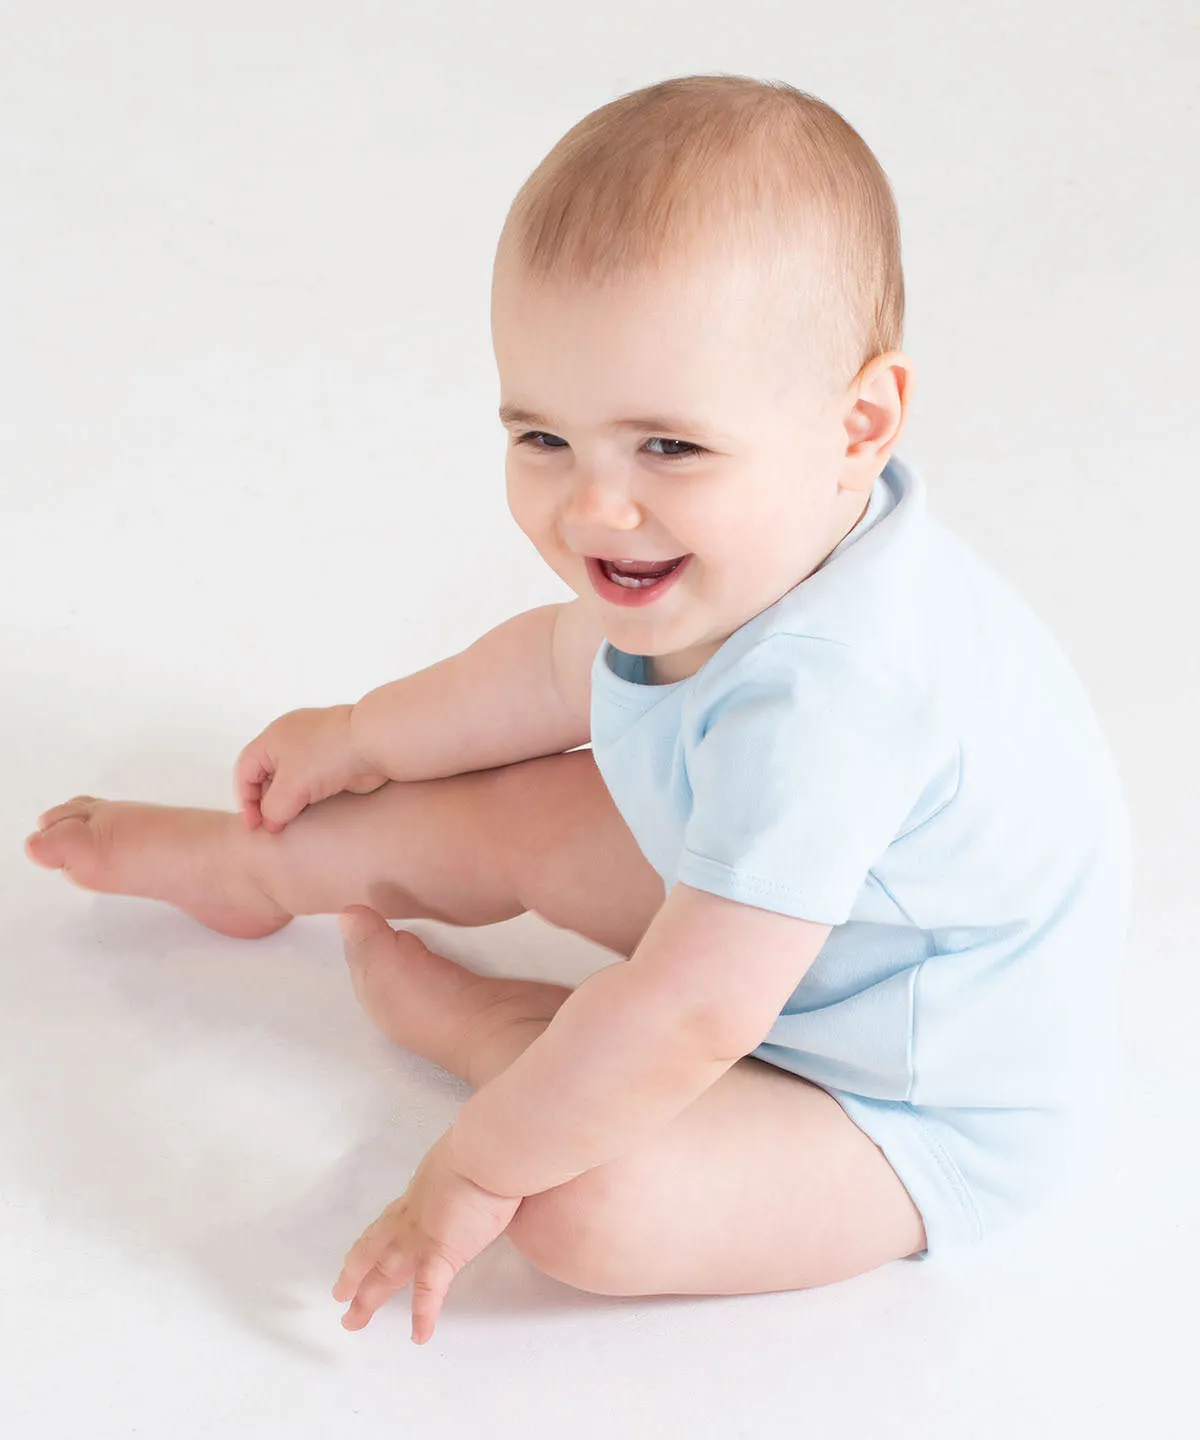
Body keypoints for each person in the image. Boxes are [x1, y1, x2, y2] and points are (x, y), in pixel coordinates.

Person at [24, 74, 1132, 1345]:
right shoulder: (757, 542)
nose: (593, 508)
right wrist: (361, 736)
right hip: (793, 939)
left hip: (906, 1100)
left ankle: (502, 1034)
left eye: (667, 447)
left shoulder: (838, 703)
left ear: (859, 423)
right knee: (533, 806)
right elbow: (551, 671)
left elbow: (695, 1011)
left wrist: (482, 1167)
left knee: (581, 1204)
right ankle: (256, 870)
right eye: (543, 437)